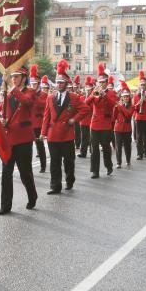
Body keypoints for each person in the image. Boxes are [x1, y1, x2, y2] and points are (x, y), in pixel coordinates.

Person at [39, 60, 90, 194]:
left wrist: (74, 119)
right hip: (53, 134)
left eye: (61, 82)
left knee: (68, 161)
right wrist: (43, 132)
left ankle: (69, 180)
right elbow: (46, 116)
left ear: (66, 84)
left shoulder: (73, 97)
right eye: (57, 82)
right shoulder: (50, 97)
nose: (59, 84)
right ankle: (55, 186)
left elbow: (85, 109)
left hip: (67, 134)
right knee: (55, 162)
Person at [0, 66, 38, 215]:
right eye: (12, 77)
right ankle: (6, 205)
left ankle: (32, 195)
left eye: (16, 76)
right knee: (6, 173)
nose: (13, 79)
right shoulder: (8, 95)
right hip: (10, 138)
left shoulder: (30, 92)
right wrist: (3, 120)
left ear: (24, 78)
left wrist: (12, 88)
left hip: (23, 139)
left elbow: (26, 102)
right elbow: (4, 112)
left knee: (25, 172)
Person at [85, 63, 118, 179]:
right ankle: (95, 171)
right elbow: (86, 103)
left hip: (105, 124)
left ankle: (109, 166)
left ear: (107, 82)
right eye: (99, 82)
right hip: (94, 123)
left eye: (103, 82)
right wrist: (93, 94)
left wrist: (104, 95)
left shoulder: (112, 93)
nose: (101, 84)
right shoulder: (95, 92)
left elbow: (114, 104)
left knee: (105, 147)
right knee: (94, 149)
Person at [29, 65, 48, 173]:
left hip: (38, 124)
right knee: (28, 148)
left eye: (35, 84)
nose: (33, 85)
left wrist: (34, 97)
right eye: (32, 83)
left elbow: (44, 105)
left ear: (38, 84)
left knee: (40, 146)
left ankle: (43, 165)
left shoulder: (43, 95)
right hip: (29, 124)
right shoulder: (28, 93)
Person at [114, 81, 134, 168]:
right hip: (118, 128)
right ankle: (118, 162)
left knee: (127, 145)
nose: (126, 98)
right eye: (124, 97)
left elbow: (128, 115)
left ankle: (128, 160)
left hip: (127, 128)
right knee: (118, 146)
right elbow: (114, 116)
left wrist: (120, 107)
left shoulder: (131, 106)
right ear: (121, 97)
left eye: (127, 97)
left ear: (129, 98)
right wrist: (115, 108)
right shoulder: (118, 105)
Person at [77, 76, 93, 159]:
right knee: (83, 138)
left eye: (90, 89)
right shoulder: (82, 98)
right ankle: (83, 153)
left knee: (91, 138)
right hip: (83, 121)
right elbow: (81, 108)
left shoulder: (94, 97)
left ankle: (92, 151)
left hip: (91, 120)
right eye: (87, 89)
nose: (88, 90)